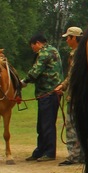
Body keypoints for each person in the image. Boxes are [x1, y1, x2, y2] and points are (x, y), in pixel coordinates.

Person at [21, 33, 63, 161]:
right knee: (43, 123)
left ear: (38, 43)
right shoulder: (53, 50)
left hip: (48, 93)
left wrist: (24, 81)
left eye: (33, 46)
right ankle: (40, 150)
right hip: (49, 93)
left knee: (47, 123)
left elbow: (35, 71)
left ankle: (49, 152)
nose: (33, 49)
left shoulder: (44, 53)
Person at [53, 26, 85, 166]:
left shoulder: (77, 55)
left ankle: (74, 156)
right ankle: (82, 155)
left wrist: (64, 86)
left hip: (75, 97)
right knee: (82, 126)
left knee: (72, 126)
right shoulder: (82, 53)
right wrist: (63, 85)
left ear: (74, 38)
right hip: (80, 95)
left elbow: (73, 76)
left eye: (68, 37)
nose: (66, 40)